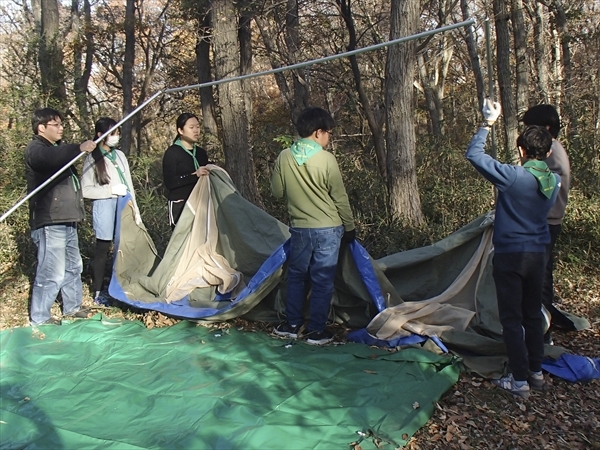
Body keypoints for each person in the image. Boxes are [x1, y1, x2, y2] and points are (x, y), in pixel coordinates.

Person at [466, 99, 560, 399]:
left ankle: (518, 380)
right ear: (547, 152)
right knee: (532, 314)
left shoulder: (513, 176)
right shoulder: (553, 181)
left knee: (511, 318)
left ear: (521, 151)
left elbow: (474, 155)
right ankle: (535, 371)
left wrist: (487, 124)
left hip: (510, 255)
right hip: (538, 254)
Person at [270, 106, 356, 345]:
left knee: (297, 276)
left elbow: (277, 192)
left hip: (300, 228)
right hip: (329, 229)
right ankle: (317, 331)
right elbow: (340, 197)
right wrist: (349, 227)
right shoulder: (327, 159)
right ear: (318, 132)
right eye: (328, 132)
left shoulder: (284, 157)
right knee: (322, 280)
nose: (329, 137)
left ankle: (291, 324)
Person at [25, 107, 96, 326]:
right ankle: (40, 315)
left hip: (67, 218)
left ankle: (72, 307)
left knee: (73, 266)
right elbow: (50, 158)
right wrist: (78, 147)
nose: (61, 127)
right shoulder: (36, 149)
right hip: (50, 220)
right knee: (51, 270)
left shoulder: (57, 149)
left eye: (61, 123)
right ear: (41, 127)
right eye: (56, 124)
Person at [522, 105, 572, 343]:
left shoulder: (552, 152)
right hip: (546, 221)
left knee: (539, 278)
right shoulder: (553, 150)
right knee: (540, 275)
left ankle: (542, 332)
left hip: (545, 222)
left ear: (547, 128)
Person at [81, 117, 138, 306]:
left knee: (123, 246)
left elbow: (129, 182)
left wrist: (135, 209)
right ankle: (98, 292)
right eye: (112, 133)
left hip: (123, 203)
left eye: (118, 132)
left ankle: (120, 288)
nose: (116, 137)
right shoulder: (92, 158)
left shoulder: (120, 155)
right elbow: (85, 190)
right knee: (103, 248)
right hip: (104, 205)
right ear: (100, 135)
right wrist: (110, 191)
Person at [162, 113, 210, 229]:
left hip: (200, 204)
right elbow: (170, 182)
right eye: (191, 127)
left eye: (198, 127)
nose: (196, 131)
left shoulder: (201, 153)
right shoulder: (172, 153)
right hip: (180, 205)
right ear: (180, 130)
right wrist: (193, 175)